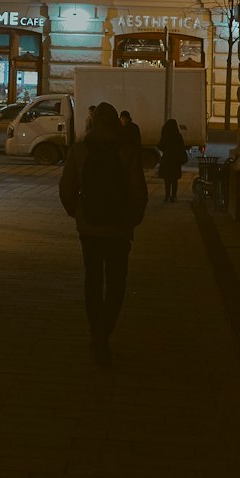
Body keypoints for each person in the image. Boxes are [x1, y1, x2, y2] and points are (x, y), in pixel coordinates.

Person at [58, 101, 148, 366]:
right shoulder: (128, 152)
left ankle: (95, 329)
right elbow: (139, 193)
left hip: (90, 229)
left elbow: (66, 189)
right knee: (117, 282)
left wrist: (79, 214)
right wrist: (131, 220)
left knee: (93, 279)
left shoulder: (80, 150)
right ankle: (104, 331)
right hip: (120, 230)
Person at [157, 118, 188, 202]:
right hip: (176, 160)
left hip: (167, 159)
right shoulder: (178, 135)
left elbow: (160, 146)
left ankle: (167, 196)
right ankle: (174, 196)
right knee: (174, 179)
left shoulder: (166, 135)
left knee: (167, 179)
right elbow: (182, 146)